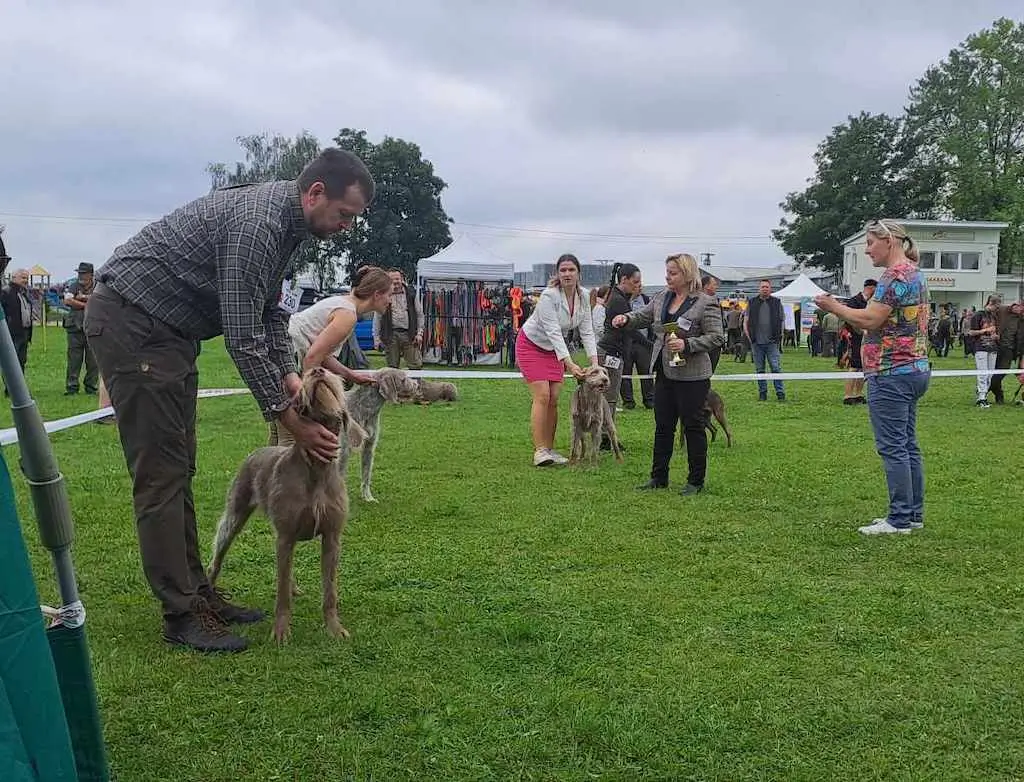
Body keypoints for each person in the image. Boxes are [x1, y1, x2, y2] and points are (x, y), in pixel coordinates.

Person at [83, 147, 375, 652]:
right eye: (344, 214)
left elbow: (267, 316)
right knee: (161, 476)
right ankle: (181, 615)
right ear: (315, 193)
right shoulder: (258, 225)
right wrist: (291, 420)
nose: (347, 226)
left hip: (170, 336)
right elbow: (242, 333)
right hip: (134, 324)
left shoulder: (286, 228)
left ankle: (200, 595)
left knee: (180, 468)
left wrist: (289, 374)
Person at [814, 219, 930, 535]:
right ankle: (912, 514)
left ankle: (899, 519)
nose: (867, 250)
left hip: (891, 372)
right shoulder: (914, 272)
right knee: (907, 445)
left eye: (869, 243)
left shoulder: (894, 277)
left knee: (893, 447)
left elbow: (870, 319)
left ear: (888, 241)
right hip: (914, 369)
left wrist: (832, 306)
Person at [611, 253, 725, 496]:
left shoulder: (706, 302)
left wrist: (688, 345)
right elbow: (643, 316)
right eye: (667, 272)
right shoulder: (662, 297)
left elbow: (717, 337)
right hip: (664, 371)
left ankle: (696, 481)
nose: (667, 276)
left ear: (687, 274)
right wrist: (625, 318)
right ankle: (658, 477)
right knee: (663, 426)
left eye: (673, 273)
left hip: (693, 376)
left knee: (693, 427)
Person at [270, 266, 392, 445]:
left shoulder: (344, 305)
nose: (390, 301)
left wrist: (350, 375)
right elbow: (312, 359)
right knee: (291, 436)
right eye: (389, 295)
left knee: (280, 430)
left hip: (280, 354)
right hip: (289, 359)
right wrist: (308, 399)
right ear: (377, 294)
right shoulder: (347, 315)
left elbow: (322, 354)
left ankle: (266, 472)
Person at [515, 253, 598, 467]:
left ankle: (549, 449)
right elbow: (553, 331)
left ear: (579, 273)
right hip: (531, 345)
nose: (567, 274)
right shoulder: (549, 296)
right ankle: (540, 451)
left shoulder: (585, 296)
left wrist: (594, 362)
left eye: (571, 270)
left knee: (554, 397)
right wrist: (570, 364)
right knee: (542, 396)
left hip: (554, 350)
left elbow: (587, 330)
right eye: (563, 270)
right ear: (557, 274)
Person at [597, 263, 643, 443]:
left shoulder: (620, 297)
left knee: (610, 397)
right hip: (610, 353)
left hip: (612, 352)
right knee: (609, 398)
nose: (638, 285)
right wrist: (649, 343)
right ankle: (605, 437)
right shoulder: (618, 300)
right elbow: (630, 328)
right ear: (624, 279)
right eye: (635, 281)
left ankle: (604, 434)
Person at [373, 270, 424, 369]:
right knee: (392, 368)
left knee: (416, 365)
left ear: (402, 279)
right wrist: (376, 338)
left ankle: (416, 384)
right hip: (390, 335)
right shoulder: (383, 295)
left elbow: (420, 315)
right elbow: (377, 317)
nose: (395, 282)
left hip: (409, 334)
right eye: (392, 280)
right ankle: (393, 384)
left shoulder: (412, 294)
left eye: (397, 279)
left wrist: (419, 334)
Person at [744, 279, 786, 401]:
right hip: (757, 342)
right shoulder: (752, 303)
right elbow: (745, 321)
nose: (765, 289)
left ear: (770, 289)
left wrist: (779, 337)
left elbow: (782, 320)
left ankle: (780, 393)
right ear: (759, 288)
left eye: (767, 287)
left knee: (775, 368)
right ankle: (763, 394)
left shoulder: (777, 302)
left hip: (772, 342)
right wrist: (750, 338)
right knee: (760, 369)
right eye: (763, 287)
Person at [63, 262, 100, 396]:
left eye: (83, 273)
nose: (81, 276)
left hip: (93, 329)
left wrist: (83, 298)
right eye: (79, 273)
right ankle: (72, 387)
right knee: (74, 359)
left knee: (93, 361)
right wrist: (87, 305)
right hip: (74, 328)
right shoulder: (73, 285)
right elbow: (67, 301)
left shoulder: (98, 287)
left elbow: (100, 300)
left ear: (91, 274)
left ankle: (91, 387)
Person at [840, 278, 877, 405]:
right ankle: (848, 394)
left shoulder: (871, 303)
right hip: (855, 338)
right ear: (871, 288)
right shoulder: (854, 301)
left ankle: (858, 394)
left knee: (862, 367)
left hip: (866, 339)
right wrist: (861, 330)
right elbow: (850, 319)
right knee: (854, 366)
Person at [1, 268, 34, 389]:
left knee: (21, 361)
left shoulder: (23, 292)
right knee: (11, 363)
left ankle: (19, 387)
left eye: (27, 278)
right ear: (14, 278)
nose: (26, 280)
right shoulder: (6, 292)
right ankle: (10, 388)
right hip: (11, 333)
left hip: (24, 332)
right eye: (23, 277)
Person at [967, 295, 1001, 408]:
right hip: (981, 347)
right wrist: (985, 330)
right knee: (983, 373)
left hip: (993, 348)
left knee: (990, 374)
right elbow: (971, 332)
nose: (997, 309)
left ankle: (982, 394)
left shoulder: (994, 317)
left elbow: (996, 332)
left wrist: (996, 336)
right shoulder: (978, 315)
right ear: (990, 303)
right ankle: (981, 398)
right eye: (996, 306)